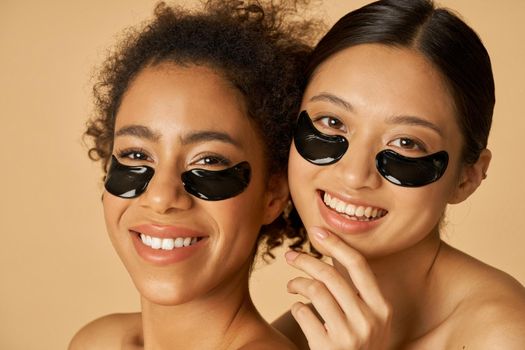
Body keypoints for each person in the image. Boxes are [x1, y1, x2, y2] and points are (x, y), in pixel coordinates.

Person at [273, 0, 525, 348]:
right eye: (332, 123)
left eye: (406, 143)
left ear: (467, 177)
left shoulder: (506, 335)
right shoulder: (294, 336)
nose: (354, 175)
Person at [68, 1, 317, 348]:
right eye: (136, 154)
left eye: (210, 161)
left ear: (273, 194)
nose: (161, 196)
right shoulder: (100, 341)